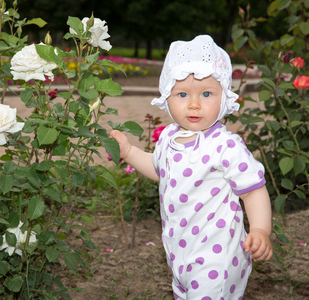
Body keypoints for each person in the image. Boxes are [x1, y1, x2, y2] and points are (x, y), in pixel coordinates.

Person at [110, 35, 273, 299]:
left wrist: (261, 230)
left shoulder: (226, 146)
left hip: (217, 258)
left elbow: (253, 191)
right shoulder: (168, 138)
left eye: (207, 94)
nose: (194, 104)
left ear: (224, 97)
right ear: (167, 95)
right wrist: (129, 152)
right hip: (180, 252)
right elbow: (158, 170)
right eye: (182, 94)